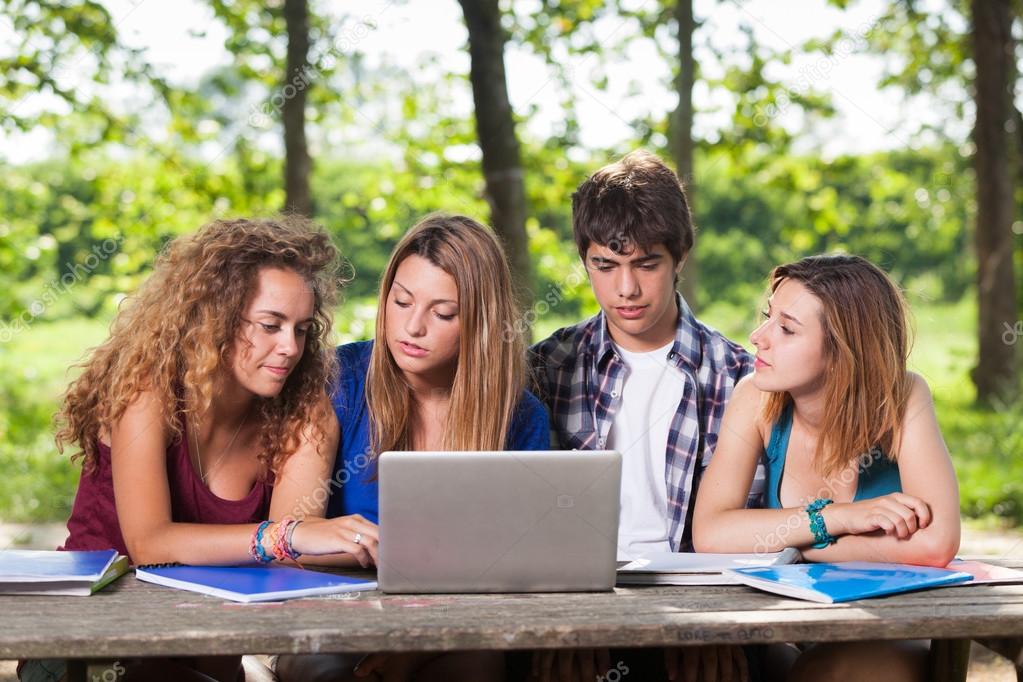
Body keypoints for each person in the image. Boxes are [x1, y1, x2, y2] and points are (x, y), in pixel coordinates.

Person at [22, 217, 377, 682]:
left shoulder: (301, 412)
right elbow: (150, 544)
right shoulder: (145, 394)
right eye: (270, 325)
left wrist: (379, 545)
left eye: (303, 329)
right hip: (88, 654)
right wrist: (286, 536)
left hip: (210, 654)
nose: (289, 347)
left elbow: (293, 550)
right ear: (214, 319)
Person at [274, 214, 551, 682]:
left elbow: (518, 567)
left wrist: (415, 646)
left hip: (459, 625)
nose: (413, 327)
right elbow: (288, 536)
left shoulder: (521, 418)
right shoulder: (335, 380)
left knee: (473, 671)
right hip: (333, 614)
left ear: (481, 324)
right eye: (401, 302)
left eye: (443, 314)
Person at [528, 151, 766, 681]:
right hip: (580, 597)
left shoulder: (739, 376)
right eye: (605, 266)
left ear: (680, 257)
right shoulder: (546, 368)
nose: (626, 289)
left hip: (701, 596)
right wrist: (568, 622)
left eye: (646, 264)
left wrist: (712, 625)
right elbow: (526, 523)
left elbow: (757, 528)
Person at [693, 254, 961, 682]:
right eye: (768, 317)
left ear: (842, 351)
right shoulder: (755, 399)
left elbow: (935, 545)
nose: (758, 337)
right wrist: (838, 518)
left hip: (886, 627)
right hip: (789, 628)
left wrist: (805, 548)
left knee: (840, 669)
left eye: (786, 328)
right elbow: (710, 532)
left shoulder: (905, 395)